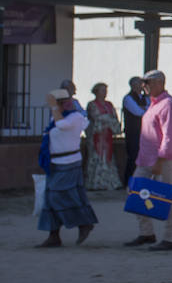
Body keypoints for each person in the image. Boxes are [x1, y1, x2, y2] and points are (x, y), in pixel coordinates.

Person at [123, 70, 172, 250]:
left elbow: (169, 136)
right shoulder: (154, 104)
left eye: (147, 82)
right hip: (146, 158)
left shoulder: (168, 104)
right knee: (134, 191)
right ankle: (147, 232)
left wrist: (160, 160)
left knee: (169, 196)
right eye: (143, 83)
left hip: (164, 159)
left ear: (160, 83)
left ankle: (170, 238)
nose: (144, 86)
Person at [36, 89, 97, 247]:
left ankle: (84, 223)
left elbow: (62, 126)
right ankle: (53, 235)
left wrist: (54, 108)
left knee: (61, 196)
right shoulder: (56, 117)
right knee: (50, 199)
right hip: (55, 163)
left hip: (69, 162)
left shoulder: (75, 117)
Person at [83, 83, 123, 191]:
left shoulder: (109, 104)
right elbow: (96, 117)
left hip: (107, 135)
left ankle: (110, 183)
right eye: (102, 90)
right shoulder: (92, 104)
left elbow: (114, 117)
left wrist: (109, 120)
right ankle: (95, 183)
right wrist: (108, 119)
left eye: (106, 90)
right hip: (96, 136)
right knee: (96, 157)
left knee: (108, 157)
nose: (105, 93)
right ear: (96, 92)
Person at [121, 76, 148, 184]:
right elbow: (138, 112)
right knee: (133, 156)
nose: (142, 85)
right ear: (133, 85)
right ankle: (129, 180)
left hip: (144, 131)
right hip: (133, 131)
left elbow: (151, 109)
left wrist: (144, 108)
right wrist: (144, 109)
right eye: (139, 83)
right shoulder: (128, 98)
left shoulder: (145, 98)